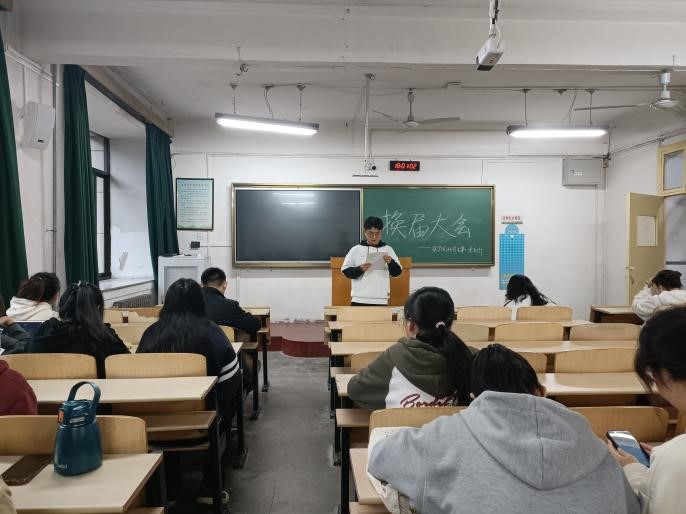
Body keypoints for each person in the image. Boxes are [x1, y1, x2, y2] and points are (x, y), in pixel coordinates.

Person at [368, 343, 640, 514]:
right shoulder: (596, 448)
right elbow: (632, 506)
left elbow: (381, 458)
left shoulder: (443, 437)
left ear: (473, 398)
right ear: (541, 392)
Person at [608, 306, 686, 512]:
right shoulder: (673, 455)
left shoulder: (677, 458)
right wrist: (661, 463)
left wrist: (631, 468)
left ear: (665, 372)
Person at [137, 278, 241, 431]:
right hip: (204, 421)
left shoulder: (150, 333)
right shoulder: (212, 331)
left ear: (167, 303)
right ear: (200, 302)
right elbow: (231, 381)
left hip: (150, 423)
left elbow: (138, 378)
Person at [347, 286, 473, 411]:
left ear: (411, 325)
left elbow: (355, 390)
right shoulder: (468, 356)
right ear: (449, 324)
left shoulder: (395, 356)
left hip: (399, 425)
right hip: (454, 425)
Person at [28, 282, 128, 378]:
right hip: (95, 389)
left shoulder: (46, 331)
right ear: (97, 308)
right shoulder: (105, 336)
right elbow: (127, 364)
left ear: (64, 304)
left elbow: (28, 360)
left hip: (47, 389)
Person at [342, 216, 402, 306]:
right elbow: (345, 271)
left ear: (381, 232)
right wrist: (359, 269)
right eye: (371, 233)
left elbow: (397, 273)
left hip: (381, 299)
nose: (374, 237)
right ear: (365, 232)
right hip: (359, 299)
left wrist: (391, 262)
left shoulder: (388, 249)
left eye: (377, 233)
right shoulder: (356, 249)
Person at [201, 267, 261, 338]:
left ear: (201, 284)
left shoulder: (189, 305)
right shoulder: (229, 306)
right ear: (225, 284)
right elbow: (255, 325)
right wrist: (247, 313)